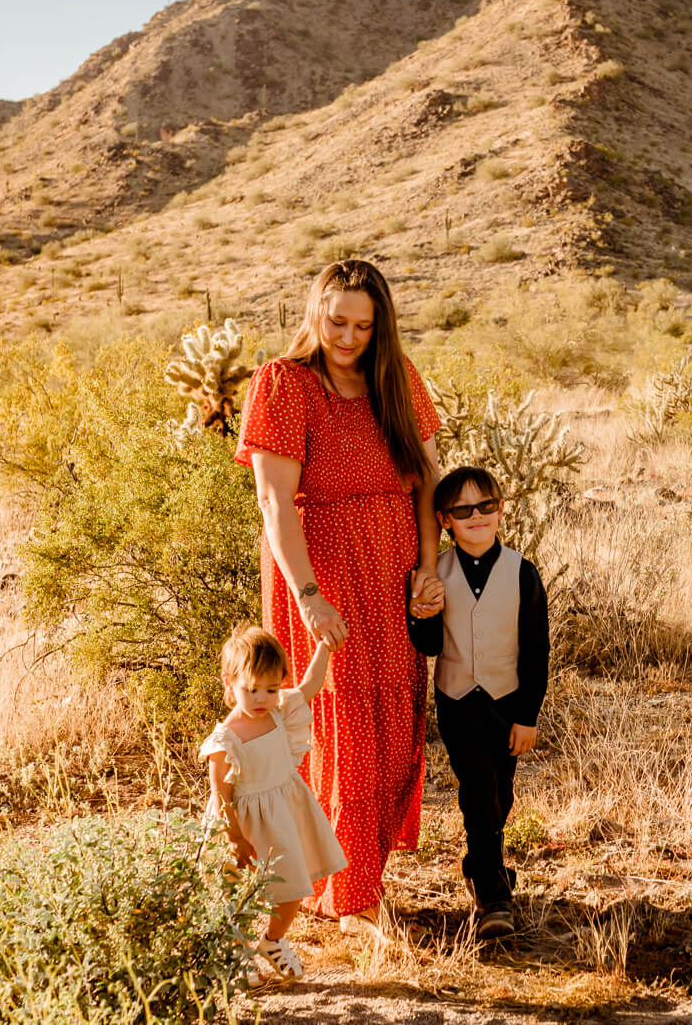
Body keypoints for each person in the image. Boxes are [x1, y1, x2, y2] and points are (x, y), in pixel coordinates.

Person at [235, 259, 442, 935]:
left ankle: (360, 875)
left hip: (394, 573)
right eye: (336, 320)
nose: (347, 336)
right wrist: (309, 595)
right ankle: (349, 897)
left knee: (393, 724)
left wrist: (429, 569)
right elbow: (274, 500)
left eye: (362, 324)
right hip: (324, 570)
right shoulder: (284, 383)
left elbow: (428, 483)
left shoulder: (397, 379)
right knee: (339, 722)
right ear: (314, 311)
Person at [407, 466, 550, 939]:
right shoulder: (434, 573)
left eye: (486, 506)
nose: (477, 517)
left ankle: (479, 864)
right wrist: (420, 612)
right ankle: (493, 895)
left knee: (501, 794)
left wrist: (527, 717)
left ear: (501, 509)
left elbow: (535, 650)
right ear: (445, 519)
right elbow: (428, 645)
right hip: (457, 700)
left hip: (507, 701)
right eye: (464, 510)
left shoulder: (521, 571)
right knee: (479, 791)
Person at [201, 625, 347, 980]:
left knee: (293, 887)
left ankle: (273, 940)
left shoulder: (279, 711)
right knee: (236, 893)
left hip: (282, 815)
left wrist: (324, 647)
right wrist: (234, 837)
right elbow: (220, 793)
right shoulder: (225, 738)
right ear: (229, 682)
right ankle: (237, 953)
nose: (263, 698)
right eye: (252, 690)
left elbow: (311, 685)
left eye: (271, 688)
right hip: (241, 821)